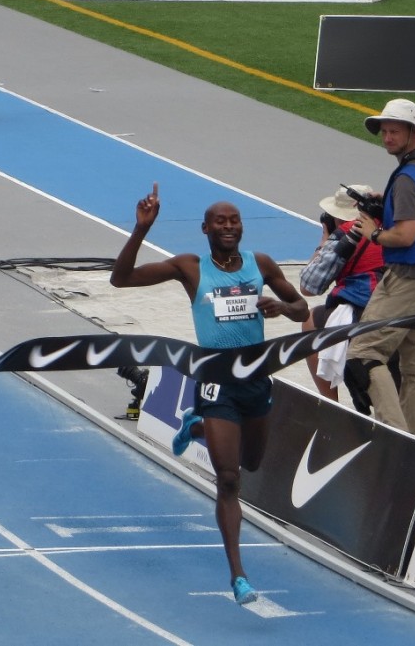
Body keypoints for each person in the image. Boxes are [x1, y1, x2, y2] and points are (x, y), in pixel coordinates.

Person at [110, 183, 308, 606]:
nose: (229, 226)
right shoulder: (191, 267)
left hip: (255, 380)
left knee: (251, 463)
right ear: (205, 229)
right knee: (229, 478)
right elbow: (121, 279)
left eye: (234, 220)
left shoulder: (262, 265)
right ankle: (238, 575)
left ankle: (195, 425)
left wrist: (280, 307)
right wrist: (141, 229)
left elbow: (303, 310)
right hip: (216, 380)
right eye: (220, 221)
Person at [346, 99, 415, 440]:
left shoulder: (406, 179)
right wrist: (386, 201)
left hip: (409, 277)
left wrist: (373, 232)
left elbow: (406, 235)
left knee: (364, 353)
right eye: (384, 131)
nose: (387, 137)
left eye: (394, 131)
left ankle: (396, 438)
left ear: (413, 133)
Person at [299, 185, 384, 402]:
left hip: (365, 310)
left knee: (310, 319)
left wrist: (324, 243)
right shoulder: (393, 227)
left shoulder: (346, 232)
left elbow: (308, 286)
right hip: (404, 303)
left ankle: (331, 403)